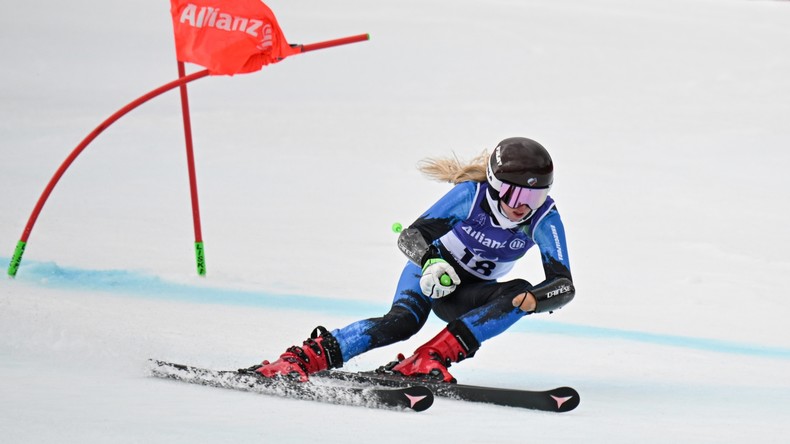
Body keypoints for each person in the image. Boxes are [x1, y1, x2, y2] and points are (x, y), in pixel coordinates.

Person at [253, 137, 575, 383]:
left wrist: (535, 300)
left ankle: (429, 358)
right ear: (494, 185)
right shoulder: (471, 196)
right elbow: (411, 236)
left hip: (467, 295)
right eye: (516, 195)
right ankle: (303, 358)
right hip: (430, 276)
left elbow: (563, 285)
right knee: (402, 323)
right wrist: (431, 262)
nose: (524, 206)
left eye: (536, 196)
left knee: (519, 292)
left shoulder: (543, 218)